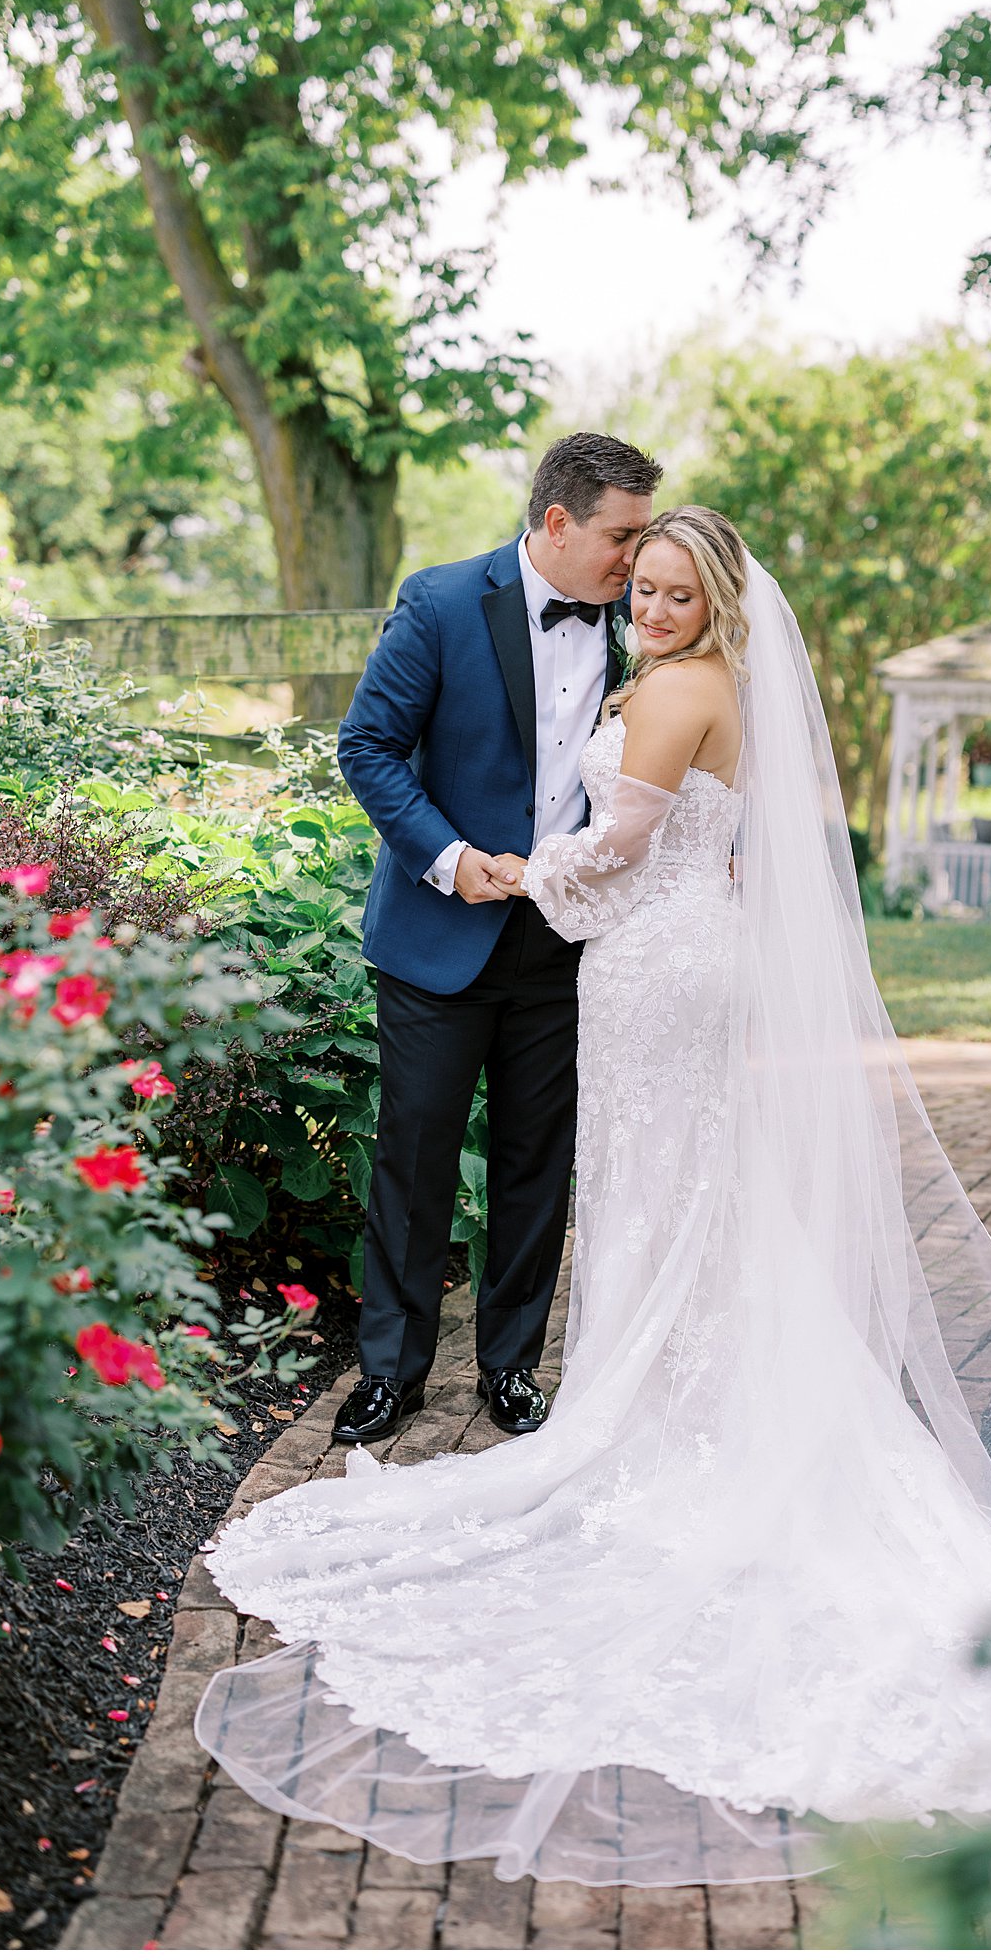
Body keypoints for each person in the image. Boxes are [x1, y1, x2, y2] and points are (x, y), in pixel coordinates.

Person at [197, 508, 991, 1887]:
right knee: (684, 1191)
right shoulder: (702, 683)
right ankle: (664, 1396)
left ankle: (651, 1418)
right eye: (639, 584)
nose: (646, 603)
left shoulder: (682, 690)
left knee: (659, 1189)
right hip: (680, 962)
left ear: (714, 602)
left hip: (653, 962)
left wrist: (528, 875)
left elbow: (617, 857)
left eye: (673, 588)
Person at [331, 433, 660, 1443]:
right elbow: (368, 746)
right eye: (621, 535)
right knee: (416, 1155)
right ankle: (390, 1370)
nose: (637, 562)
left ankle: (511, 1365)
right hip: (440, 934)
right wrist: (449, 856)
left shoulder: (637, 631)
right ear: (556, 521)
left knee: (533, 1162)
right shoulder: (438, 602)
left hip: (564, 941)